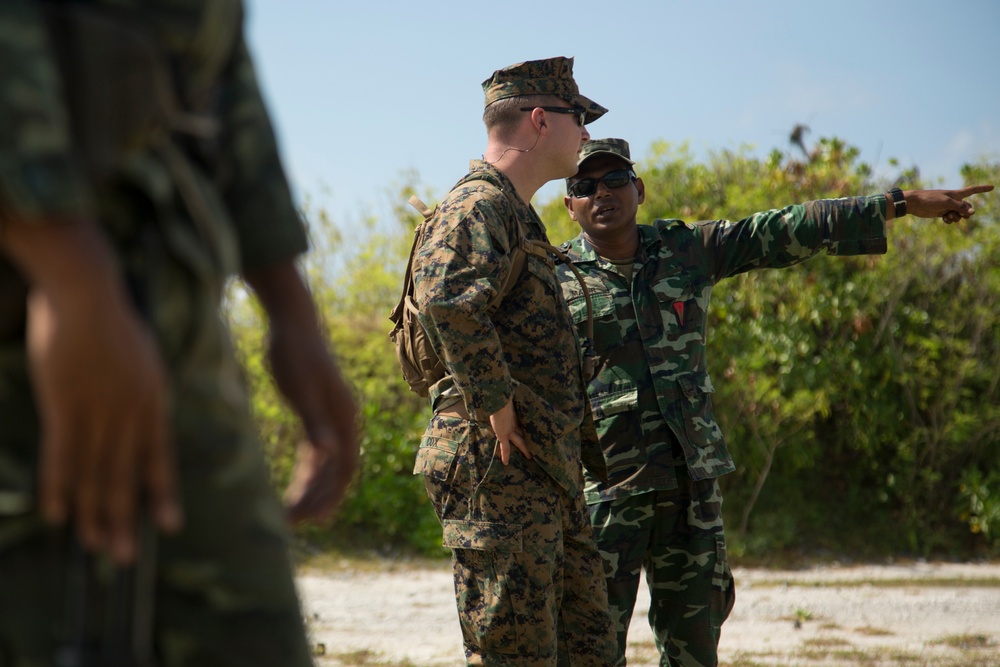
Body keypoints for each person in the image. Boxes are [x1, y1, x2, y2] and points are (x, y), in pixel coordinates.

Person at [0, 1, 359, 665]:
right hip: (37, 306)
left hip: (172, 320)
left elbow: (222, 71)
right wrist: (67, 272)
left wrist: (289, 307)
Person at [555, 137, 993, 667]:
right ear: (569, 204)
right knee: (588, 649)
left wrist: (899, 203)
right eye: (585, 186)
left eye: (615, 180)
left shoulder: (686, 250)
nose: (602, 193)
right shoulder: (552, 279)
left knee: (695, 647)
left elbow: (784, 227)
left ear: (639, 189)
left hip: (691, 486)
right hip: (603, 491)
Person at [410, 57, 619, 666]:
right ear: (537, 120)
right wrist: (496, 403)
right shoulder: (479, 207)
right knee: (515, 655)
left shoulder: (516, 213)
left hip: (543, 469)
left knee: (589, 650)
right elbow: (445, 298)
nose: (584, 133)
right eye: (576, 117)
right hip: (497, 467)